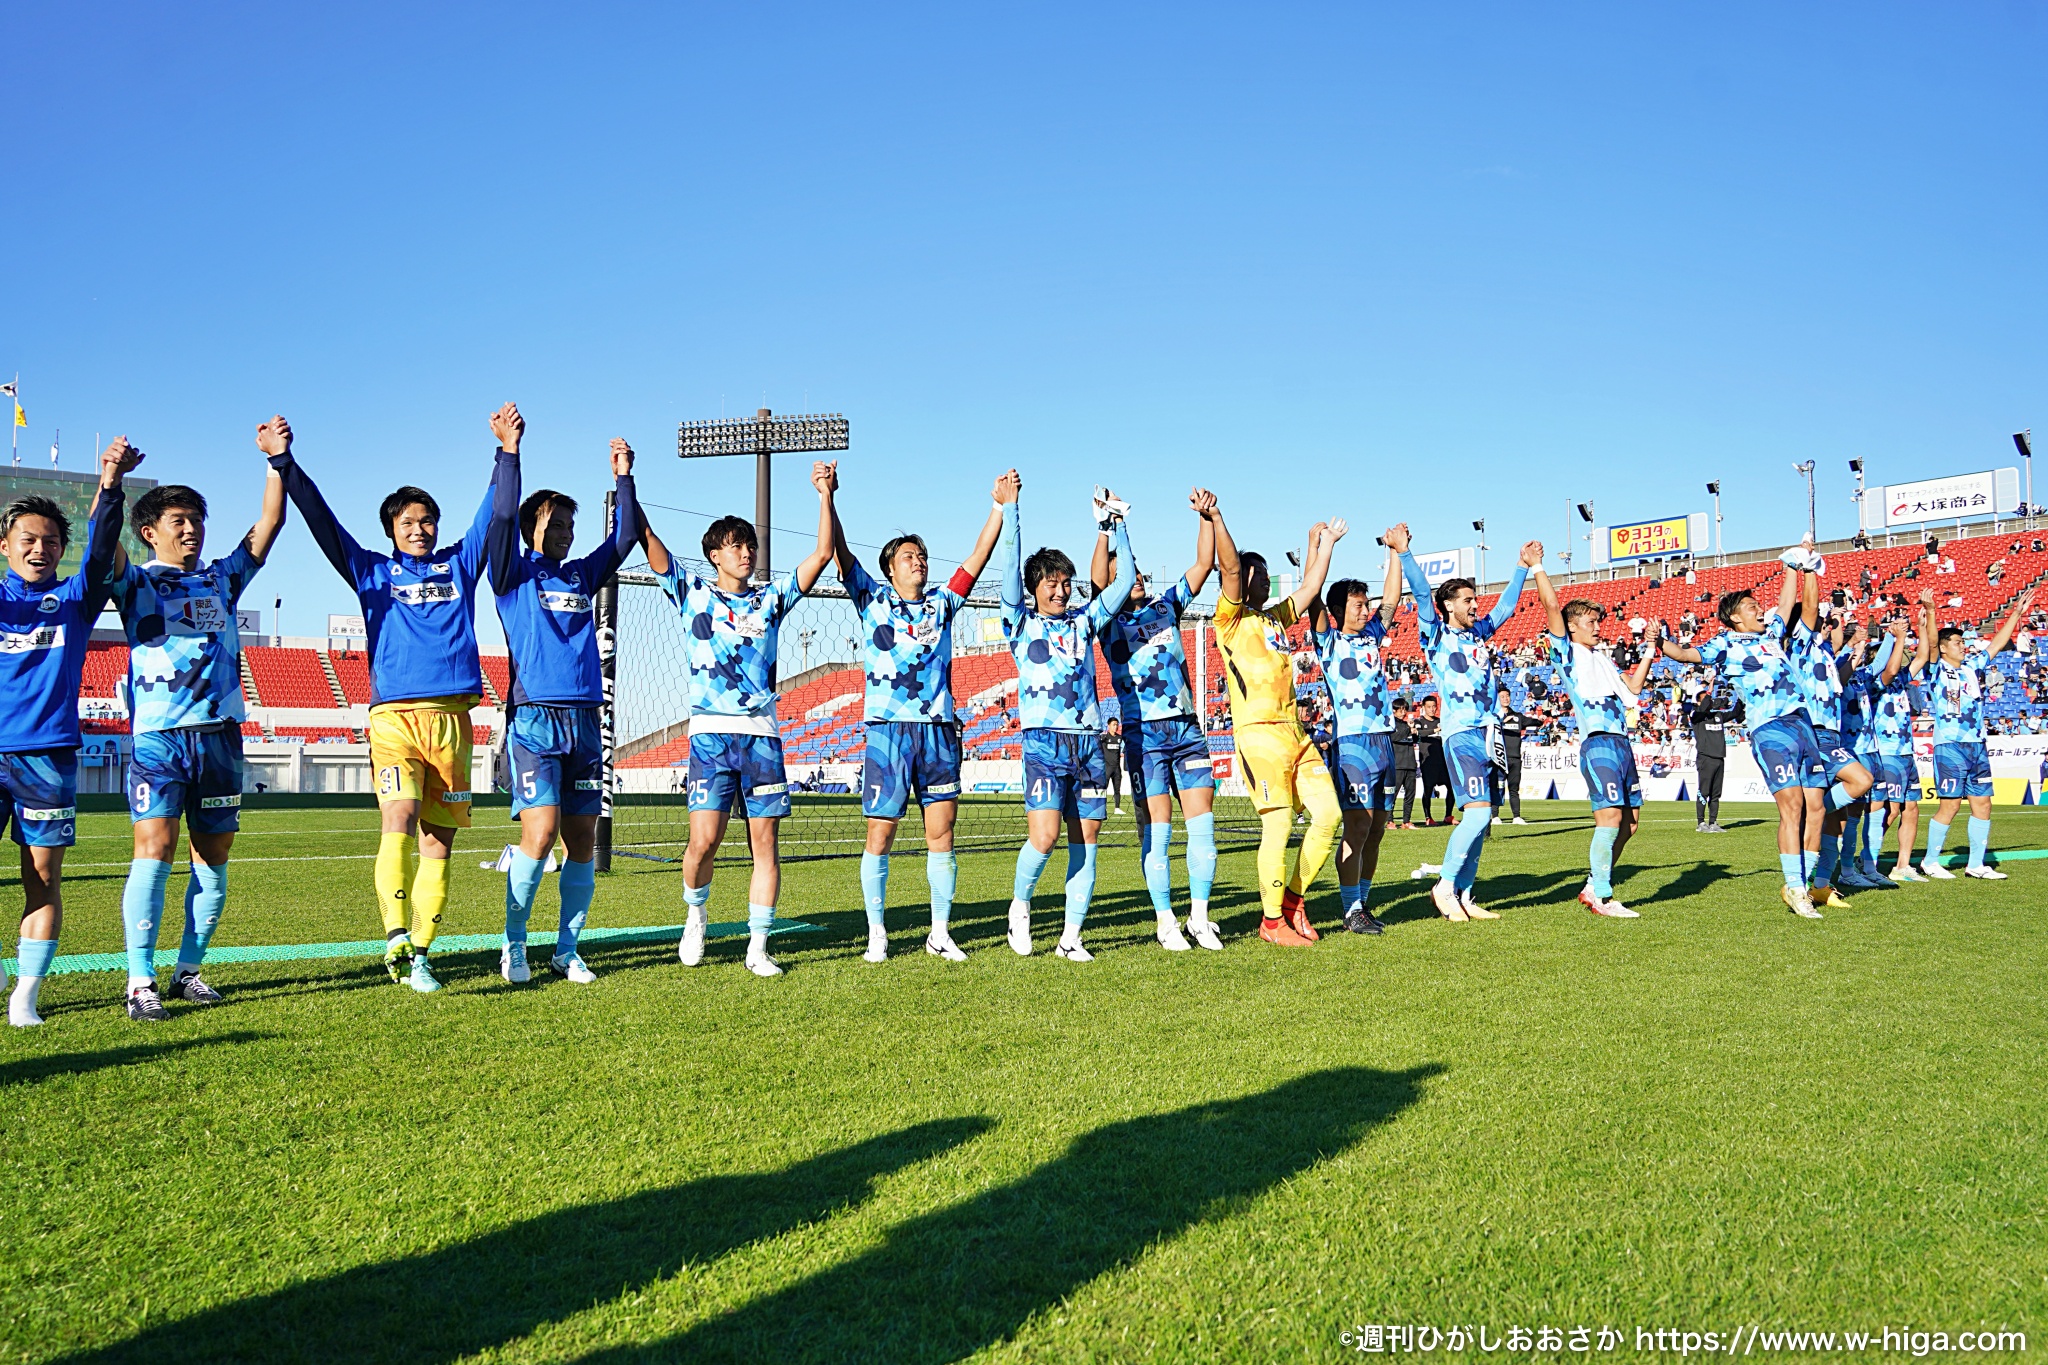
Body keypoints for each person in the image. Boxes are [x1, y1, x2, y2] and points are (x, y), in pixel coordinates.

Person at [269, 409, 503, 993]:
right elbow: (321, 520)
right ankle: (396, 934)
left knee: (438, 841)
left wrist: (507, 452)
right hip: (394, 719)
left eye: (426, 520)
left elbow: (497, 513)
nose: (419, 529)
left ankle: (420, 955)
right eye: (407, 522)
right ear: (391, 530)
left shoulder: (461, 564)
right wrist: (284, 462)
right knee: (398, 815)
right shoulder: (371, 571)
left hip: (453, 722)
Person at [108, 419, 289, 1019]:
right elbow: (104, 542)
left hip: (221, 740)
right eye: (178, 521)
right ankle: (140, 981)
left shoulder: (222, 579)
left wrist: (276, 462)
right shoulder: (135, 584)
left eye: (196, 520)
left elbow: (268, 526)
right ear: (149, 532)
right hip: (160, 740)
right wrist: (111, 483)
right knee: (154, 850)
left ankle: (189, 970)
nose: (190, 529)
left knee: (213, 857)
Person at [642, 461, 840, 977]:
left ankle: (758, 946)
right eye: (735, 545)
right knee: (702, 842)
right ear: (714, 555)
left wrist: (825, 494)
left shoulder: (771, 598)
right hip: (710, 737)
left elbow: (822, 554)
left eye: (750, 544)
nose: (746, 552)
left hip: (762, 740)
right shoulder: (692, 592)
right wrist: (627, 483)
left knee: (765, 845)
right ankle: (695, 916)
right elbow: (650, 542)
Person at [487, 431, 643, 985]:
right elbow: (500, 519)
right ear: (531, 527)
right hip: (534, 718)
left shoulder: (580, 574)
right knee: (540, 834)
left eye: (570, 525)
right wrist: (510, 454)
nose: (565, 533)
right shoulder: (511, 573)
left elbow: (626, 536)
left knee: (581, 840)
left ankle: (567, 950)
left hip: (584, 721)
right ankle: (514, 944)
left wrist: (623, 475)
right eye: (555, 523)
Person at [831, 476, 1005, 963]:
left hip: (938, 732)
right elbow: (841, 555)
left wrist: (998, 507)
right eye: (909, 556)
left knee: (942, 834)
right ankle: (877, 932)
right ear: (889, 569)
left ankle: (940, 932)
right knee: (880, 833)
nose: (919, 561)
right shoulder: (872, 600)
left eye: (922, 556)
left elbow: (977, 558)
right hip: (888, 732)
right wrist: (829, 498)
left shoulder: (942, 604)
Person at [0, 439, 134, 1026]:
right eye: (28, 539)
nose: (39, 548)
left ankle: (24, 996)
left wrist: (110, 484)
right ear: (5, 545)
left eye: (51, 541)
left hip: (48, 757)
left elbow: (103, 547)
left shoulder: (76, 599)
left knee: (42, 877)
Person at [1658, 542, 1840, 918]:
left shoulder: (1772, 635)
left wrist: (1794, 564)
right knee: (1792, 806)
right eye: (1751, 606)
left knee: (1816, 808)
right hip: (1770, 730)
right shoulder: (1725, 644)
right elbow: (1686, 655)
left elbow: (1788, 603)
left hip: (1803, 725)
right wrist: (1659, 642)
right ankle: (1796, 888)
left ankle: (1804, 885)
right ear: (1735, 618)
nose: (1760, 609)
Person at [997, 479, 1135, 961]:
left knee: (1087, 840)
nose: (1060, 590)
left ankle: (1071, 937)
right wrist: (1011, 509)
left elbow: (1123, 582)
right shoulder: (1019, 622)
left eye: (1065, 583)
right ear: (1034, 589)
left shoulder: (1084, 621)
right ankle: (1020, 907)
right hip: (1043, 743)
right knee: (1045, 837)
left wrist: (1115, 526)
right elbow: (1009, 567)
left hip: (1088, 743)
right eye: (1051, 583)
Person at [1090, 487, 1224, 951]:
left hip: (1186, 728)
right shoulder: (1107, 620)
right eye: (1126, 572)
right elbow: (1097, 579)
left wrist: (1206, 517)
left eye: (1139, 570)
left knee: (1203, 829)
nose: (1137, 576)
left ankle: (1200, 918)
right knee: (1159, 832)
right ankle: (1165, 920)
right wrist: (1110, 527)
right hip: (1143, 736)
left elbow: (1204, 564)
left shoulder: (1166, 606)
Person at [1208, 506, 1343, 945]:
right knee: (1279, 826)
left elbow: (1311, 586)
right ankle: (1270, 925)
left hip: (1295, 733)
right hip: (1259, 735)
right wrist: (1217, 518)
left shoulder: (1275, 618)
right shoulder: (1229, 619)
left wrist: (1321, 544)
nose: (1267, 582)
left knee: (1329, 815)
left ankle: (1291, 903)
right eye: (1261, 575)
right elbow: (1230, 567)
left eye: (1268, 576)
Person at [1393, 528, 1539, 921]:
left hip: (1489, 733)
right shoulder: (1435, 633)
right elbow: (1422, 593)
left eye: (1475, 599)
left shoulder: (1478, 633)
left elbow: (1505, 608)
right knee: (1474, 815)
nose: (1475, 605)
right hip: (1461, 734)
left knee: (1483, 818)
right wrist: (1405, 553)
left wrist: (1521, 566)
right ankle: (1444, 887)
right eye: (1468, 600)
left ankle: (1466, 896)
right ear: (1448, 604)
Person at [1531, 564, 1659, 916]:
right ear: (1572, 626)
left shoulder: (1601, 659)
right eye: (1591, 622)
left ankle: (1592, 885)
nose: (1598, 627)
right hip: (1599, 742)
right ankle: (1602, 896)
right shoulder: (1567, 652)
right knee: (1610, 819)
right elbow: (1552, 606)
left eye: (1599, 621)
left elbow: (1633, 690)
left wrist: (1650, 648)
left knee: (1630, 823)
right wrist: (1538, 566)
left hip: (1621, 742)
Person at [1306, 527, 1403, 935]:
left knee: (1377, 830)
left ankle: (1363, 903)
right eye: (1359, 605)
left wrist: (1397, 551)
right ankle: (1351, 909)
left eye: (1366, 604)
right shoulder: (1328, 641)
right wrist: (1315, 546)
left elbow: (1392, 600)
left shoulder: (1372, 636)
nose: (1367, 611)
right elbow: (1311, 592)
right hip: (1353, 745)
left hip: (1384, 740)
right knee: (1358, 827)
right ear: (1338, 610)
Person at [1914, 584, 2037, 880]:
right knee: (1951, 805)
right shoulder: (1936, 668)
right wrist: (1931, 612)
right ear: (1945, 647)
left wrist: (2016, 613)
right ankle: (1930, 861)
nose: (1963, 645)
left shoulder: (1972, 666)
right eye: (1957, 642)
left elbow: (1996, 644)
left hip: (1977, 745)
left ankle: (1976, 864)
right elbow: (1932, 644)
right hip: (1951, 745)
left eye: (1963, 641)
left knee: (1983, 803)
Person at [1789, 570, 1877, 906]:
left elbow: (1836, 666)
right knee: (1860, 781)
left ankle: (1821, 886)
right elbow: (1811, 610)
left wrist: (1850, 649)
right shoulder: (1799, 646)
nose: (1828, 625)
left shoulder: (1824, 653)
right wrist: (1810, 569)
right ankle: (1807, 820)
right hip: (1814, 734)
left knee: (1835, 820)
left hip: (1832, 736)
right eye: (1823, 621)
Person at [1840, 616, 1908, 887]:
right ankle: (1846, 871)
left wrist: (1891, 634)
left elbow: (1880, 665)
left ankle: (1870, 866)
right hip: (1851, 750)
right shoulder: (1835, 674)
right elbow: (1840, 663)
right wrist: (1851, 647)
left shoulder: (1862, 678)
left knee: (1877, 809)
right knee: (1853, 815)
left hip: (1872, 751)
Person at [1686, 686, 1740, 832]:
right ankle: (1701, 823)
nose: (1709, 700)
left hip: (1719, 758)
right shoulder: (1695, 715)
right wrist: (1709, 691)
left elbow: (1736, 713)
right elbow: (1703, 707)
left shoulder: (1718, 716)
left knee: (1716, 794)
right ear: (1698, 702)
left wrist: (1742, 698)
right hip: (1705, 758)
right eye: (1704, 698)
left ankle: (1713, 822)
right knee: (1704, 791)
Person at [1493, 685, 1534, 825]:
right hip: (1499, 759)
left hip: (1515, 758)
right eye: (1502, 697)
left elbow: (1532, 722)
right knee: (1497, 787)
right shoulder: (1493, 717)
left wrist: (1540, 719)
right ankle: (1495, 816)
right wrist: (1500, 722)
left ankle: (1516, 816)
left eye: (1507, 696)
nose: (1505, 699)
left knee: (1514, 789)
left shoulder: (1517, 716)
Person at [1414, 695, 1446, 824]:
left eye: (1434, 706)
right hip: (1427, 761)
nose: (1432, 709)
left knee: (1451, 787)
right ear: (1423, 708)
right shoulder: (1419, 722)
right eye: (1429, 707)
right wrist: (1435, 730)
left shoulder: (1441, 721)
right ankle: (1428, 817)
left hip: (1442, 761)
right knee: (1428, 789)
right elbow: (1418, 733)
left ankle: (1448, 815)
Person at [1390, 699, 1420, 829]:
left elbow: (1415, 740)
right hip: (1397, 764)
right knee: (1393, 794)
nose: (1403, 712)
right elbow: (1394, 737)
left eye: (1405, 709)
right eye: (1401, 709)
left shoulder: (1407, 724)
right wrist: (1409, 729)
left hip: (1410, 763)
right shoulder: (1390, 724)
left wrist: (1414, 732)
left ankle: (1406, 821)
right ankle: (1389, 821)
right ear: (1394, 710)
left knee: (1410, 794)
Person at [1101, 719, 1125, 816]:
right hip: (1107, 767)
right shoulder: (1104, 737)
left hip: (1117, 768)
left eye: (1117, 725)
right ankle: (1102, 807)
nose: (1115, 727)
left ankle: (1117, 808)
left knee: (1117, 789)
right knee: (1104, 788)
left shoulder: (1119, 738)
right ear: (1108, 725)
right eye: (1113, 725)